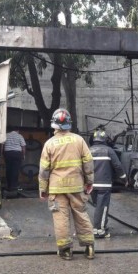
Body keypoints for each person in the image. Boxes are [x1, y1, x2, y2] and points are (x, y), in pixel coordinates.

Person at [39, 108, 95, 260]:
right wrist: (89, 182)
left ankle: (65, 251)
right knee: (81, 214)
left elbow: (44, 169)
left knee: (61, 217)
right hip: (77, 186)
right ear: (69, 124)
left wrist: (43, 188)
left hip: (56, 188)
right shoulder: (79, 140)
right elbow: (88, 162)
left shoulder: (49, 144)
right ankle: (89, 247)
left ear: (54, 125)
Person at [89, 129, 126, 238]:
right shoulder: (109, 151)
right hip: (104, 185)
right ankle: (99, 231)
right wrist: (124, 179)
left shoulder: (88, 150)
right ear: (105, 139)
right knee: (103, 207)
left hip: (91, 185)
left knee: (98, 207)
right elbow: (118, 166)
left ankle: (98, 227)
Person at [2, 126, 26, 197]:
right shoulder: (19, 136)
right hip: (17, 154)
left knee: (8, 169)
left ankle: (9, 185)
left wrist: (2, 154)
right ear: (17, 130)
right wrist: (23, 155)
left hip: (8, 153)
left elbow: (2, 146)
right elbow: (23, 147)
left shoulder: (5, 135)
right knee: (15, 170)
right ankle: (14, 186)